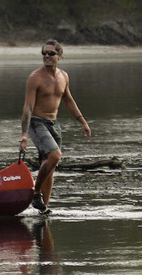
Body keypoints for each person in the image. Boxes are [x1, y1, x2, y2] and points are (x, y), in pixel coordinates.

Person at [18, 39, 91, 214]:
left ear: (59, 55)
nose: (47, 56)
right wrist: (24, 135)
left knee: (49, 165)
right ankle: (35, 193)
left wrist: (82, 122)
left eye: (50, 53)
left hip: (54, 124)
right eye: (44, 53)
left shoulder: (63, 76)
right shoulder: (35, 78)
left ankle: (43, 209)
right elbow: (27, 107)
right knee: (55, 156)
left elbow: (68, 100)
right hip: (37, 123)